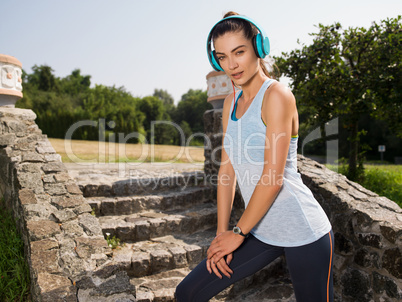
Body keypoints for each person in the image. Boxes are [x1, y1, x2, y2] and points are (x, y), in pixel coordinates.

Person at [175, 11, 333, 302]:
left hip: (303, 229)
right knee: (188, 293)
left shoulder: (277, 96)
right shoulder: (230, 102)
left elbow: (272, 179)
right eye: (222, 57)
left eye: (239, 52)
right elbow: (226, 170)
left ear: (259, 49)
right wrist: (222, 235)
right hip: (260, 229)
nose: (231, 65)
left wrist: (238, 232)